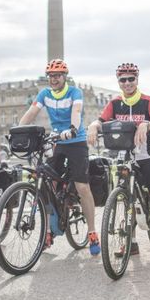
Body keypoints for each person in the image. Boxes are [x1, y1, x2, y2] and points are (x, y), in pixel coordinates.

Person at [87, 63, 150, 271]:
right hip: (123, 157)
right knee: (124, 198)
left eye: (131, 79)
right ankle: (131, 243)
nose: (127, 83)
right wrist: (94, 125)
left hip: (147, 156)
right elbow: (101, 120)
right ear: (118, 82)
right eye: (123, 80)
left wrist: (146, 124)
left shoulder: (148, 101)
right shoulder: (114, 103)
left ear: (137, 80)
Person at [18, 59, 100, 255]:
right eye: (51, 76)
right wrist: (18, 131)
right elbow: (31, 113)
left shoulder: (74, 92)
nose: (54, 79)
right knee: (46, 182)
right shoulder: (45, 94)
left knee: (82, 186)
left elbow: (77, 111)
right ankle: (49, 229)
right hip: (57, 141)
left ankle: (92, 232)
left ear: (65, 77)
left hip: (75, 140)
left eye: (57, 75)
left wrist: (72, 129)